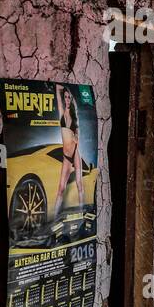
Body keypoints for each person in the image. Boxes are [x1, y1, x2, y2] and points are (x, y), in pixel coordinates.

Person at [53, 84, 85, 223]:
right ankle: (54, 219)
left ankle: (82, 213)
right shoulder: (61, 113)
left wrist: (77, 136)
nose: (66, 100)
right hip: (66, 156)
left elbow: (78, 134)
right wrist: (66, 87)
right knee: (61, 188)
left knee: (79, 183)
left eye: (69, 97)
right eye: (65, 97)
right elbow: (57, 88)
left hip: (75, 153)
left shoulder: (74, 115)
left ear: (71, 99)